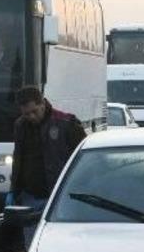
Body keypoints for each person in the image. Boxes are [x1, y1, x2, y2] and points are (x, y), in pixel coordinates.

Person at [8, 86, 86, 243]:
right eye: (26, 114)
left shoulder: (66, 124)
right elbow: (18, 160)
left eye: (34, 111)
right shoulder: (20, 126)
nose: (30, 117)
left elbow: (83, 161)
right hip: (30, 198)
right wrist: (13, 191)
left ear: (43, 103)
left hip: (60, 198)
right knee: (33, 248)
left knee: (60, 244)